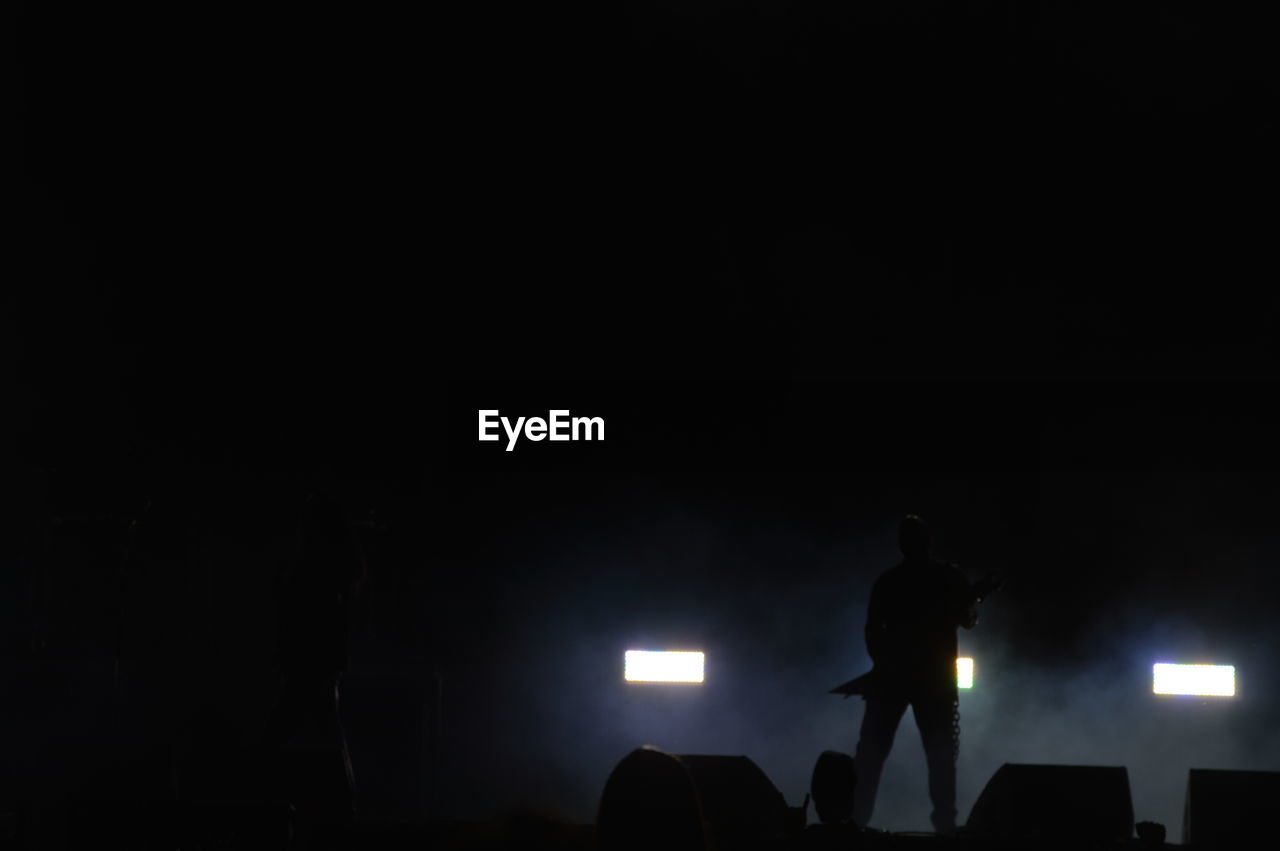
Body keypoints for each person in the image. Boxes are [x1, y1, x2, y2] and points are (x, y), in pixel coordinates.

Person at [852, 515, 999, 835]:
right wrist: (977, 595)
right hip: (933, 679)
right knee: (940, 757)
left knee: (872, 754)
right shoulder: (948, 577)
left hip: (894, 677)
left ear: (902, 545)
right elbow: (966, 619)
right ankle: (944, 825)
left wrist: (884, 664)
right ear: (928, 542)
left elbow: (873, 630)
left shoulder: (889, 581)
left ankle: (855, 821)